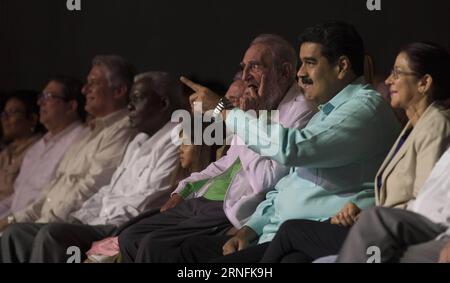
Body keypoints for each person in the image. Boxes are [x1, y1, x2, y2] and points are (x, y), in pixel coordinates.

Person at [176, 21, 401, 263]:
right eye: (301, 63)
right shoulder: (327, 112)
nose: (300, 73)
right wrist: (249, 230)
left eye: (310, 63)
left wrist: (224, 111)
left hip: (307, 239)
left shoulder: (364, 108)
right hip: (273, 232)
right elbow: (287, 185)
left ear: (342, 66)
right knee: (188, 250)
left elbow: (290, 149)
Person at [117, 34, 316, 263]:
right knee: (130, 236)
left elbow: (265, 180)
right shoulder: (258, 104)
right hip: (202, 199)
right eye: (243, 67)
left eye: (255, 66)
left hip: (230, 207)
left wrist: (247, 118)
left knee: (156, 246)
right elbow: (226, 162)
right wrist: (184, 188)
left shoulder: (301, 111)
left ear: (284, 72)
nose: (245, 76)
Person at [258, 41, 450, 263]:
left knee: (291, 232)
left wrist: (370, 216)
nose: (389, 81)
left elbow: (425, 204)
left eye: (397, 73)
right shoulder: (414, 126)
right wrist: (361, 211)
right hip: (382, 227)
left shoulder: (436, 123)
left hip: (399, 236)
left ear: (424, 82)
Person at [0, 55, 137, 262]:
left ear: (119, 91)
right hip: (48, 218)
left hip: (75, 221)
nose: (85, 90)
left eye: (93, 83)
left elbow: (93, 185)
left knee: (40, 234)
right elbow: (51, 187)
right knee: (14, 233)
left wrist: (44, 220)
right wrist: (15, 218)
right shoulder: (89, 133)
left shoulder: (122, 128)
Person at [337, 145, 450, 263]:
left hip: (435, 227)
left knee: (374, 221)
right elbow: (425, 197)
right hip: (416, 221)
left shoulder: (432, 128)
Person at [0, 76, 87, 218]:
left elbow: (49, 197)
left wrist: (10, 222)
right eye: (41, 97)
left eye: (48, 97)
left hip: (38, 221)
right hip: (15, 220)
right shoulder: (37, 147)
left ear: (71, 106)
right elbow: (17, 197)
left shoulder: (79, 140)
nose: (40, 102)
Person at [0, 91, 41, 202]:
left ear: (32, 119)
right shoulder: (5, 153)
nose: (5, 119)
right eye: (4, 114)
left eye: (13, 112)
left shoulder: (39, 150)